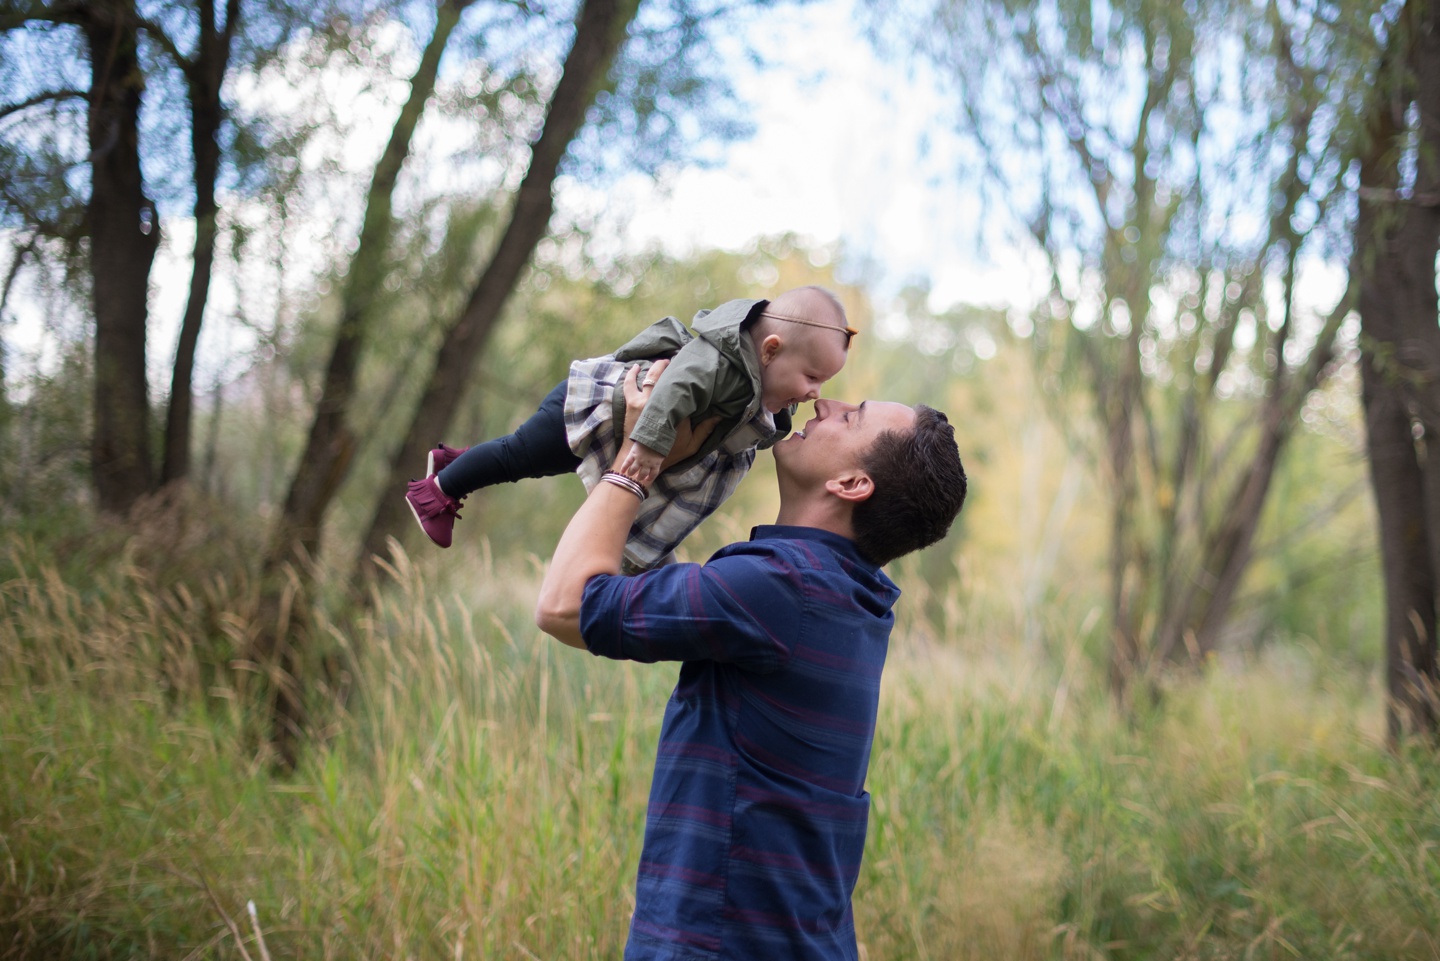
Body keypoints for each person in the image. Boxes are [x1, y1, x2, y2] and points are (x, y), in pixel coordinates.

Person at [535, 362, 968, 961]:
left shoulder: (781, 587)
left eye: (853, 416)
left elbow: (564, 606)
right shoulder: (851, 597)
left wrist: (641, 448)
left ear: (851, 484)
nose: (824, 405)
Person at [405, 285, 857, 571]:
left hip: (614, 428)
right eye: (812, 378)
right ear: (771, 351)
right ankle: (435, 490)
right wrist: (646, 446)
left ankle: (452, 461)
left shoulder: (757, 382)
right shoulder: (718, 360)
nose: (816, 393)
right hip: (596, 407)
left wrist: (785, 407)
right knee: (518, 456)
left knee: (525, 461)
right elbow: (673, 389)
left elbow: (757, 426)